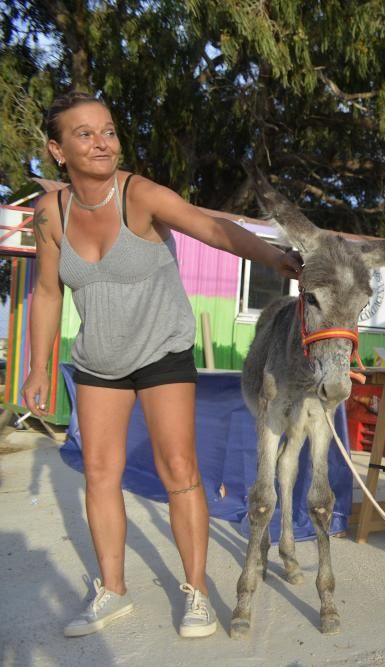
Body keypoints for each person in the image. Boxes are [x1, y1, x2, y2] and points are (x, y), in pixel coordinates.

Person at [23, 91, 303, 638]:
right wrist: (38, 367)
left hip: (162, 353)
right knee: (100, 475)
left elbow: (215, 229)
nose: (102, 142)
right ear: (57, 150)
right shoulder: (49, 214)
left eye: (107, 130)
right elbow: (49, 294)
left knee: (179, 472)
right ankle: (112, 591)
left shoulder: (141, 195)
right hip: (99, 360)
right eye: (84, 134)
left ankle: (196, 592)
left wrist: (278, 260)